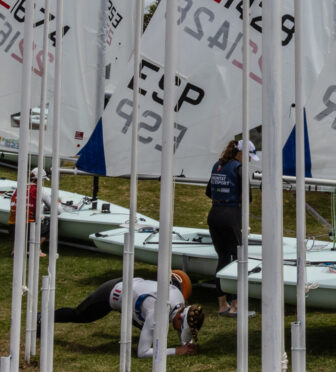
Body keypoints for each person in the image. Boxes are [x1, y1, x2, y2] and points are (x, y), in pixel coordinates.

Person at [53, 269, 203, 358]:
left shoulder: (180, 302)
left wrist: (187, 345)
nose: (179, 330)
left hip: (132, 292)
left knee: (154, 331)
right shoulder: (157, 313)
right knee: (79, 315)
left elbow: (182, 324)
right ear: (179, 316)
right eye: (181, 327)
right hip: (111, 292)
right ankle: (44, 317)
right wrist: (176, 351)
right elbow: (143, 352)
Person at [207, 139, 246, 316]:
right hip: (231, 216)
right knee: (238, 259)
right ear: (240, 153)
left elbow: (209, 191)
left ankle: (222, 305)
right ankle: (236, 305)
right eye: (248, 156)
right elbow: (247, 196)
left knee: (222, 258)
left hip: (214, 214)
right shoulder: (239, 168)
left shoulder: (218, 165)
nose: (248, 160)